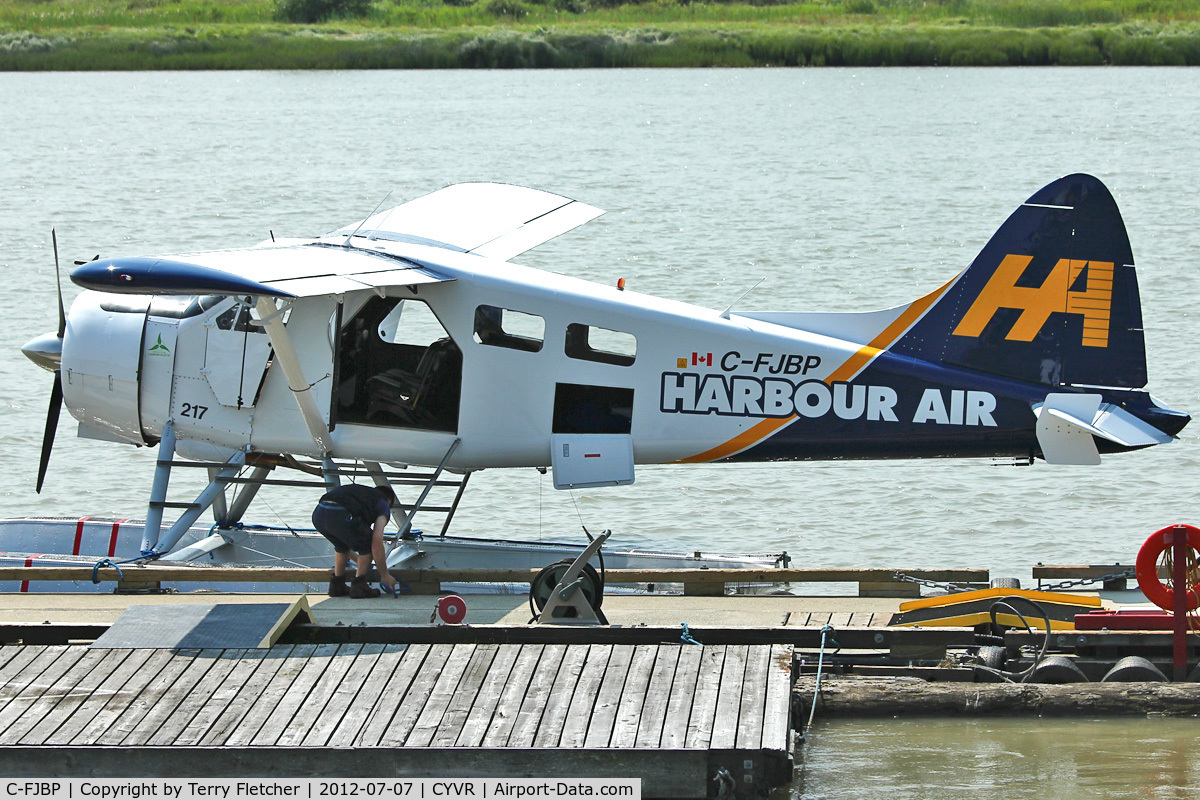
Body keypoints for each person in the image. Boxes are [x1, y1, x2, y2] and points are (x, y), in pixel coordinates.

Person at [312, 483, 399, 598]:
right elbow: (376, 543)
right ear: (389, 501)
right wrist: (384, 574)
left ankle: (337, 585)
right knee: (367, 545)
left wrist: (360, 561)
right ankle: (359, 587)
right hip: (340, 513)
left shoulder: (364, 494)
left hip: (319, 514)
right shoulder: (383, 504)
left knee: (341, 545)